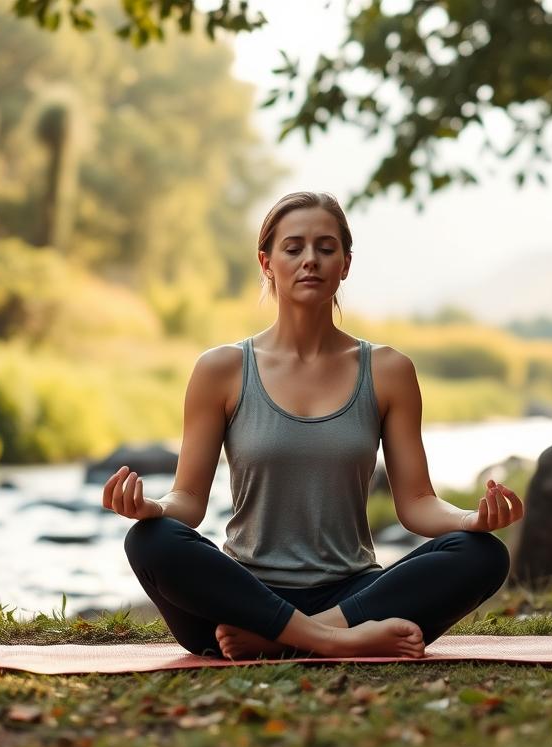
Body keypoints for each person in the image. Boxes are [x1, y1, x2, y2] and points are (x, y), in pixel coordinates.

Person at [106, 191, 523, 660]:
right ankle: (329, 642)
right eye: (294, 248)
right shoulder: (220, 369)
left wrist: (472, 519)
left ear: (345, 263)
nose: (310, 260)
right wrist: (152, 509)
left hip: (346, 599)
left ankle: (293, 638)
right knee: (151, 541)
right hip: (242, 600)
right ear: (266, 262)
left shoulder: (388, 371)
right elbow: (188, 501)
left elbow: (417, 503)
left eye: (326, 248)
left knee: (483, 554)